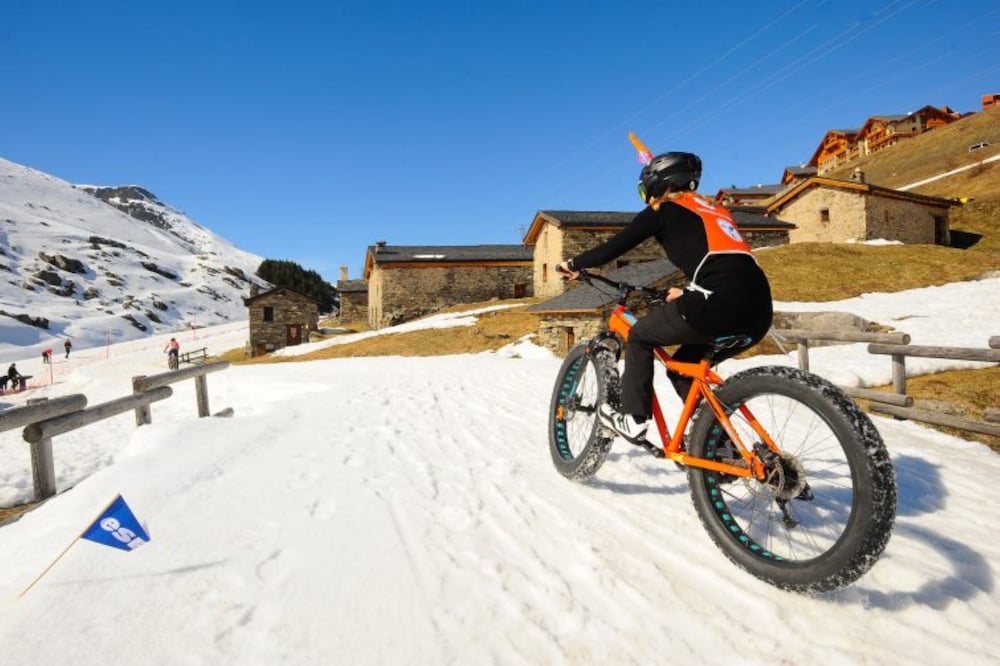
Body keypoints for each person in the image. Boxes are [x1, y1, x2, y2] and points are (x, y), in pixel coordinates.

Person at [557, 151, 773, 446]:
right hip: (759, 311)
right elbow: (725, 265)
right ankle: (717, 449)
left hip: (718, 303)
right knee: (683, 367)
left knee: (640, 336)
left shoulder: (663, 210)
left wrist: (574, 264)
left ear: (656, 184)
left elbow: (613, 248)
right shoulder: (716, 212)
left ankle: (633, 419)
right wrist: (686, 292)